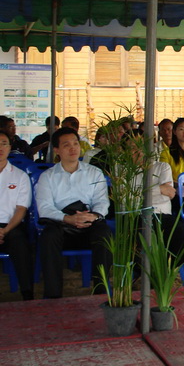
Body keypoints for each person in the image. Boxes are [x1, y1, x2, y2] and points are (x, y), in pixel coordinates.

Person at [35, 127, 112, 299]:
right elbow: (44, 207)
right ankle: (53, 294)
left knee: (104, 233)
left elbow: (102, 201)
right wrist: (68, 218)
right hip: (61, 224)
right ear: (56, 150)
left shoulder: (94, 173)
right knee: (48, 237)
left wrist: (93, 216)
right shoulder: (48, 176)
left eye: (75, 144)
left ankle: (101, 291)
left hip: (88, 221)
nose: (73, 148)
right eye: (66, 145)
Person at [128, 138, 184, 266]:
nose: (138, 152)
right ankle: (150, 273)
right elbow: (127, 199)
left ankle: (166, 271)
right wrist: (159, 189)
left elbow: (169, 194)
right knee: (142, 250)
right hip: (137, 216)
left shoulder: (162, 167)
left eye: (141, 147)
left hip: (162, 215)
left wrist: (140, 192)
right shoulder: (123, 170)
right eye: (133, 148)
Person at [0, 131, 34, 300]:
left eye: (4, 143)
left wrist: (5, 231)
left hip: (11, 226)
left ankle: (27, 294)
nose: (0, 148)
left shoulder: (20, 176)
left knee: (20, 244)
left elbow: (21, 209)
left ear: (10, 147)